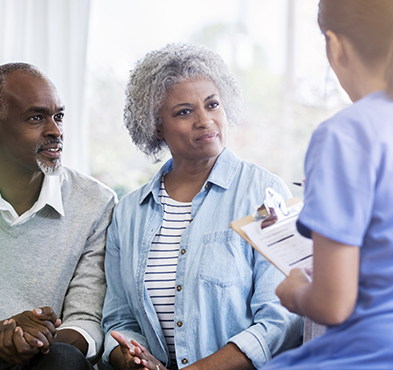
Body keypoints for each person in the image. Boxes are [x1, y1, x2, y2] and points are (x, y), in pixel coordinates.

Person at [101, 43, 302, 370]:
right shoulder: (128, 214)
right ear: (156, 125)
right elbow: (118, 318)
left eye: (212, 104)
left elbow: (282, 319)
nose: (205, 120)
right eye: (184, 111)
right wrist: (130, 358)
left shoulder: (266, 194)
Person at [0, 63, 117, 369]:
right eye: (36, 117)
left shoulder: (96, 202)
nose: (55, 131)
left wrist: (32, 342)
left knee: (64, 360)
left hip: (47, 356)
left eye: (59, 116)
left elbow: (86, 320)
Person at [260, 0, 393, 369]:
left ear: (335, 46)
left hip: (372, 351)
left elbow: (333, 305)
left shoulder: (345, 134)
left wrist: (295, 293)